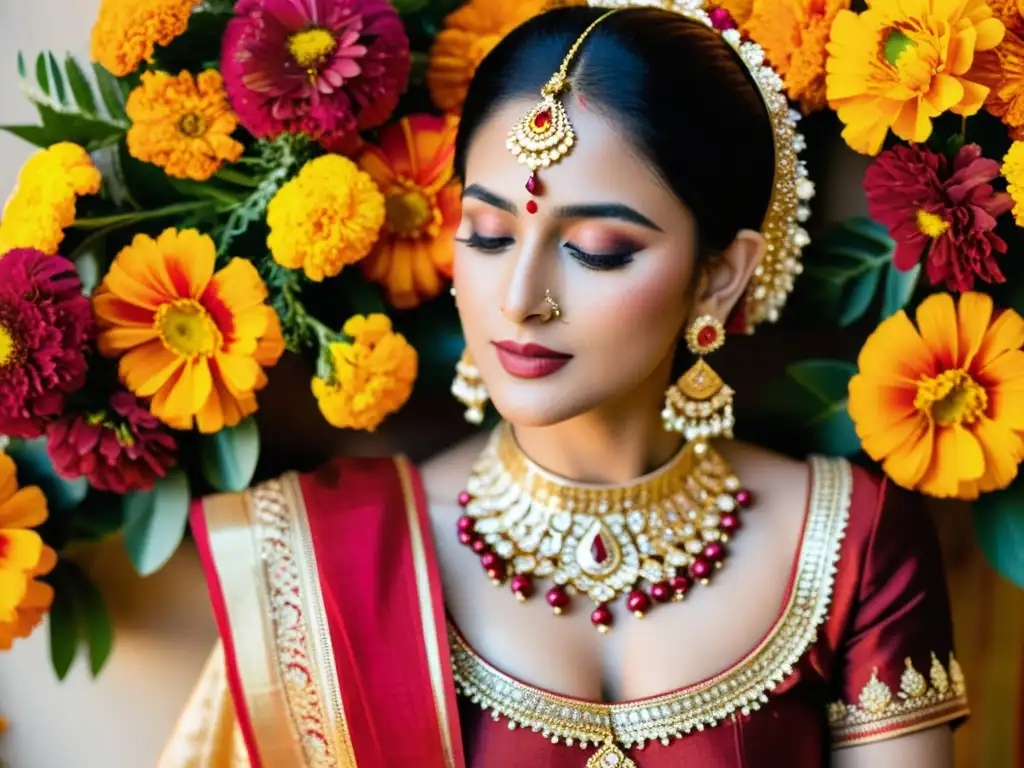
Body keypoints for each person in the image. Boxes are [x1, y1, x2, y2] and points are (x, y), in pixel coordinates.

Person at [160, 2, 967, 766]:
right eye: (487, 234)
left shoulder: (846, 542)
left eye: (598, 249)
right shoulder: (320, 556)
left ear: (719, 278)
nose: (518, 298)